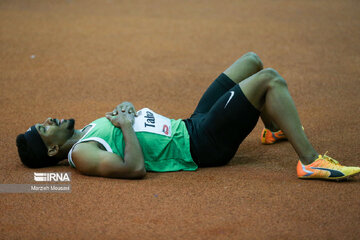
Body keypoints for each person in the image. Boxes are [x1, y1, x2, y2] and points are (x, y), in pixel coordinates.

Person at [16, 52, 360, 180]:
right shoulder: (82, 156)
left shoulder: (87, 131)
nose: (50, 120)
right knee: (269, 78)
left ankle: (272, 129)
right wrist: (125, 125)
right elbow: (133, 169)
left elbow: (127, 128)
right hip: (201, 145)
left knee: (251, 62)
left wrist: (125, 110)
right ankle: (310, 161)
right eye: (44, 128)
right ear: (51, 151)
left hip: (190, 123)